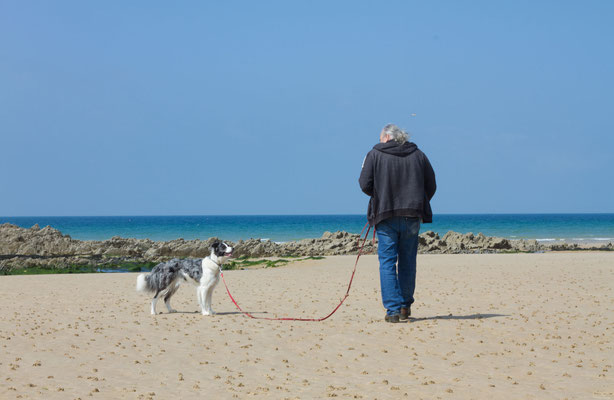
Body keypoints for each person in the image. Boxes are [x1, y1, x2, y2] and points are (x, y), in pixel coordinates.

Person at [359, 123, 436, 323]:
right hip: (411, 213)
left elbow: (364, 184)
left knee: (387, 262)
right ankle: (403, 306)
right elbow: (431, 184)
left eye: (380, 137)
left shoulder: (374, 154)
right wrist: (417, 200)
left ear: (386, 137)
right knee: (407, 261)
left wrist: (381, 195)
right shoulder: (418, 154)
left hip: (387, 214)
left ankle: (394, 309)